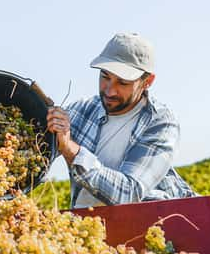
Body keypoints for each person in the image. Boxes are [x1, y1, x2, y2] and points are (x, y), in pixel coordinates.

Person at [47, 33, 196, 209]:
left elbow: (129, 193)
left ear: (147, 81)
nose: (110, 91)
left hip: (151, 225)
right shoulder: (82, 111)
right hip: (88, 227)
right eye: (105, 77)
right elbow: (36, 158)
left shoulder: (160, 123)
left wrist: (72, 150)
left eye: (123, 83)